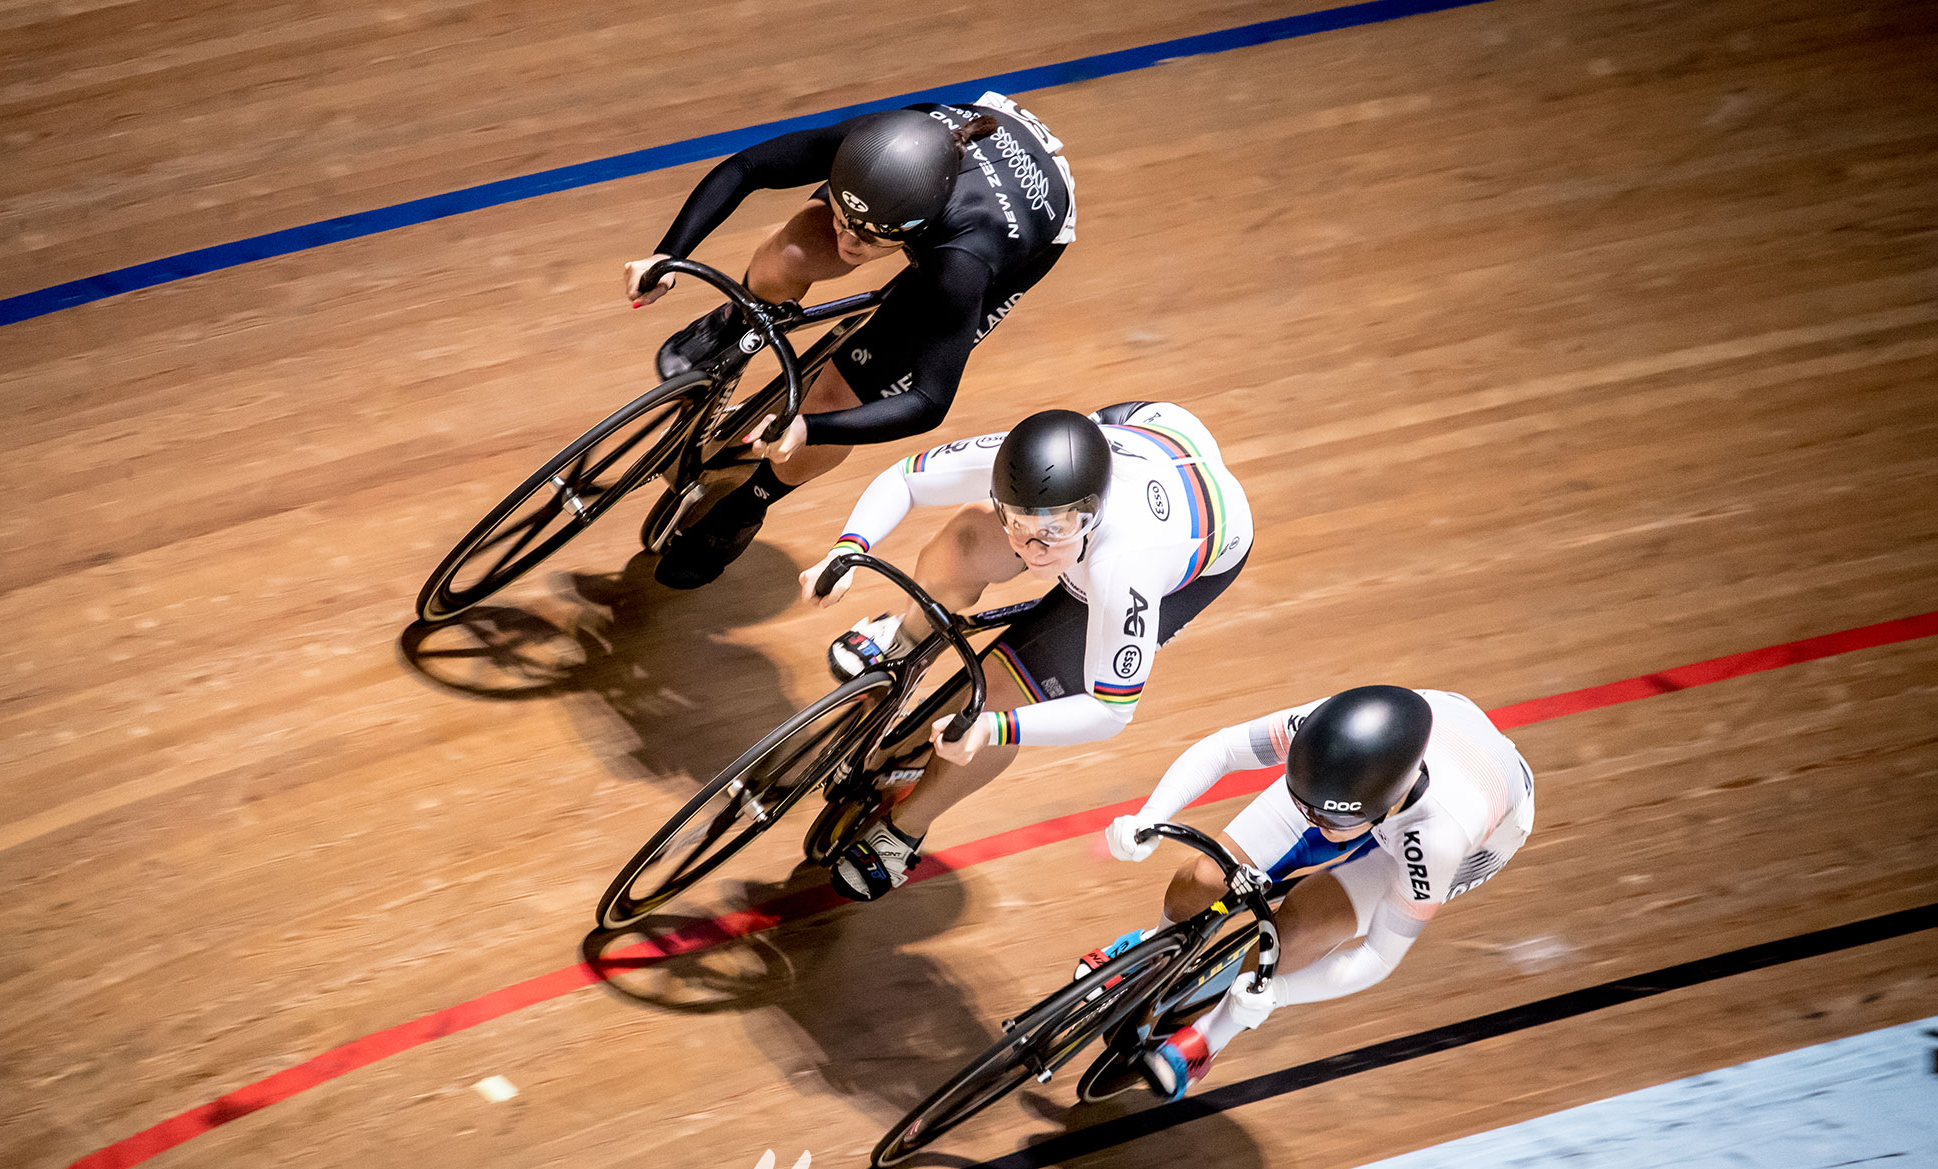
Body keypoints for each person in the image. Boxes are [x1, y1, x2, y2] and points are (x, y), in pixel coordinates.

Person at [798, 402, 1253, 901]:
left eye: (1053, 531)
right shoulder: (1013, 470)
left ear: (1092, 513)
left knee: (998, 700)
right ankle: (906, 635)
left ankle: (905, 829)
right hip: (1148, 429)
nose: (1034, 548)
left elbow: (1111, 709)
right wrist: (845, 549)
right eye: (1016, 521)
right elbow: (906, 479)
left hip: (1189, 547)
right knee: (969, 540)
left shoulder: (1127, 567)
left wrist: (994, 728)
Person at [623, 94, 1078, 589]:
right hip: (922, 179)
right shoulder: (873, 146)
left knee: (845, 394)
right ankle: (737, 321)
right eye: (844, 218)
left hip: (1016, 231)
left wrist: (810, 429)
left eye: (870, 236)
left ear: (914, 231)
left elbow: (928, 402)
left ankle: (743, 508)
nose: (849, 241)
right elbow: (748, 166)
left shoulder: (962, 264)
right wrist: (666, 254)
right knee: (793, 251)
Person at [1091, 685, 1536, 1100]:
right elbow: (1225, 749)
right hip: (1379, 767)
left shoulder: (1436, 839)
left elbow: (1380, 957)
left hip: (1473, 831)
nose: (1314, 821)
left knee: (1304, 925)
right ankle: (1153, 948)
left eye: (1330, 819)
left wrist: (1275, 994)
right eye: (1305, 806)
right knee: (1206, 877)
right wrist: (1150, 815)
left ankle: (1209, 1037)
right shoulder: (1324, 733)